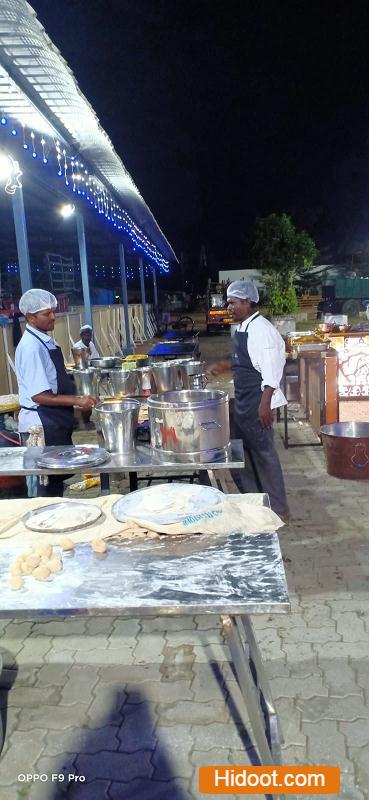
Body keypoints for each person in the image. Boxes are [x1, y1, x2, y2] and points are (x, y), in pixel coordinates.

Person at [207, 280, 289, 518]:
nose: (229, 307)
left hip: (257, 402)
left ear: (247, 302)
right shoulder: (243, 327)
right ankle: (254, 499)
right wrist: (224, 365)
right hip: (243, 400)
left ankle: (279, 508)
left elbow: (272, 372)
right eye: (229, 302)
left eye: (233, 303)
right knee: (242, 454)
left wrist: (264, 406)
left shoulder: (263, 330)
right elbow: (246, 361)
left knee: (264, 454)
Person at [15, 289, 97, 497]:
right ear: (30, 317)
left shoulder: (44, 341)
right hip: (41, 425)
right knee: (45, 486)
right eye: (46, 313)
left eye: (53, 311)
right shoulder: (31, 347)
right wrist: (78, 400)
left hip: (53, 420)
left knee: (55, 483)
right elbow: (39, 395)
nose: (53, 317)